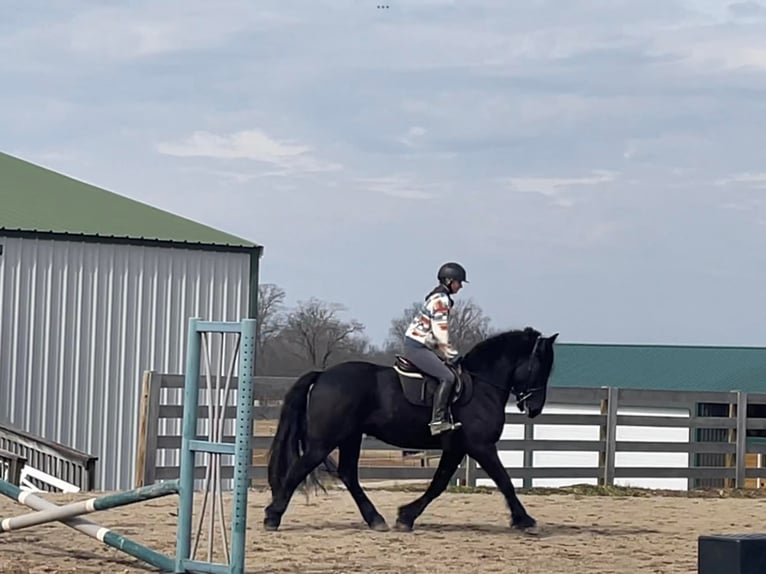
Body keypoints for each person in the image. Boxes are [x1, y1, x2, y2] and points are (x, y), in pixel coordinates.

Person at [402, 261, 468, 435]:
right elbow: (440, 330)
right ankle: (438, 420)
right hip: (417, 347)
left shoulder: (437, 297)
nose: (460, 286)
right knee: (447, 377)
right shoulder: (441, 300)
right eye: (458, 282)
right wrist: (451, 354)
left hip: (421, 345)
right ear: (448, 281)